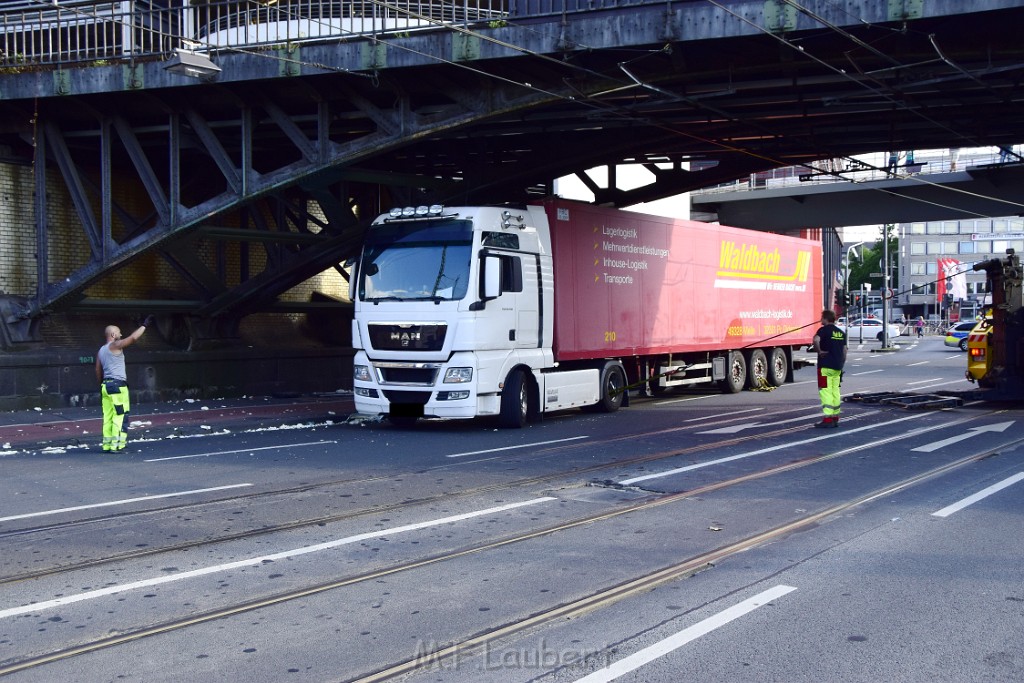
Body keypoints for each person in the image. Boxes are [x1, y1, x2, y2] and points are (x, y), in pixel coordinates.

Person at [95, 316, 153, 451]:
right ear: (113, 334)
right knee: (120, 415)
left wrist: (102, 385)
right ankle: (116, 445)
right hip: (117, 386)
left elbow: (97, 370)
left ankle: (107, 445)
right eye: (119, 333)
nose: (121, 335)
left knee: (108, 416)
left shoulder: (101, 350)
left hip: (106, 386)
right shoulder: (114, 345)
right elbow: (132, 339)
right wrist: (144, 326)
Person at [812, 309, 846, 428]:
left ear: (825, 318)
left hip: (825, 366)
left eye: (822, 318)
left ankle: (827, 418)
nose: (821, 320)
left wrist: (819, 350)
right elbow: (844, 351)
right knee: (835, 391)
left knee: (825, 391)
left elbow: (816, 340)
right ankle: (835, 416)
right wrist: (841, 364)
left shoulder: (823, 330)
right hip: (837, 367)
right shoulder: (841, 333)